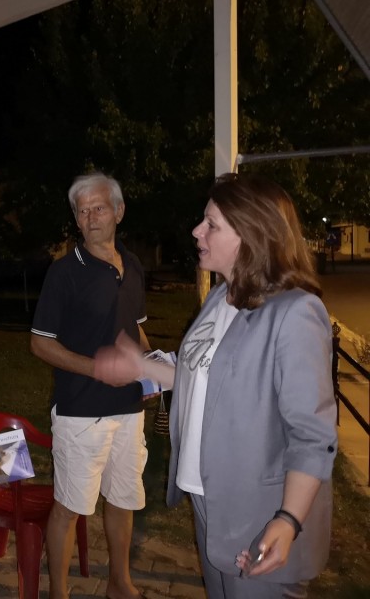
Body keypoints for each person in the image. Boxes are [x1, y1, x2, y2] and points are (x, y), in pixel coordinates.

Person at [98, 173, 337, 598]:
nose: (197, 231)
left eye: (211, 224)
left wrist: (288, 520)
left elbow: (313, 435)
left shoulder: (295, 313)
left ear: (251, 235)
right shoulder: (219, 299)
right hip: (209, 499)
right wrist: (141, 366)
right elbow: (202, 380)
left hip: (261, 513)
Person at [31, 172, 152, 599]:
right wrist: (95, 368)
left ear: (119, 211)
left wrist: (152, 367)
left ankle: (119, 583)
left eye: (98, 208)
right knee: (69, 507)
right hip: (81, 413)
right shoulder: (64, 273)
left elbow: (136, 330)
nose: (89, 217)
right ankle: (59, 593)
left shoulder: (132, 266)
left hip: (129, 408)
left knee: (123, 499)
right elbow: (40, 343)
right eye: (82, 211)